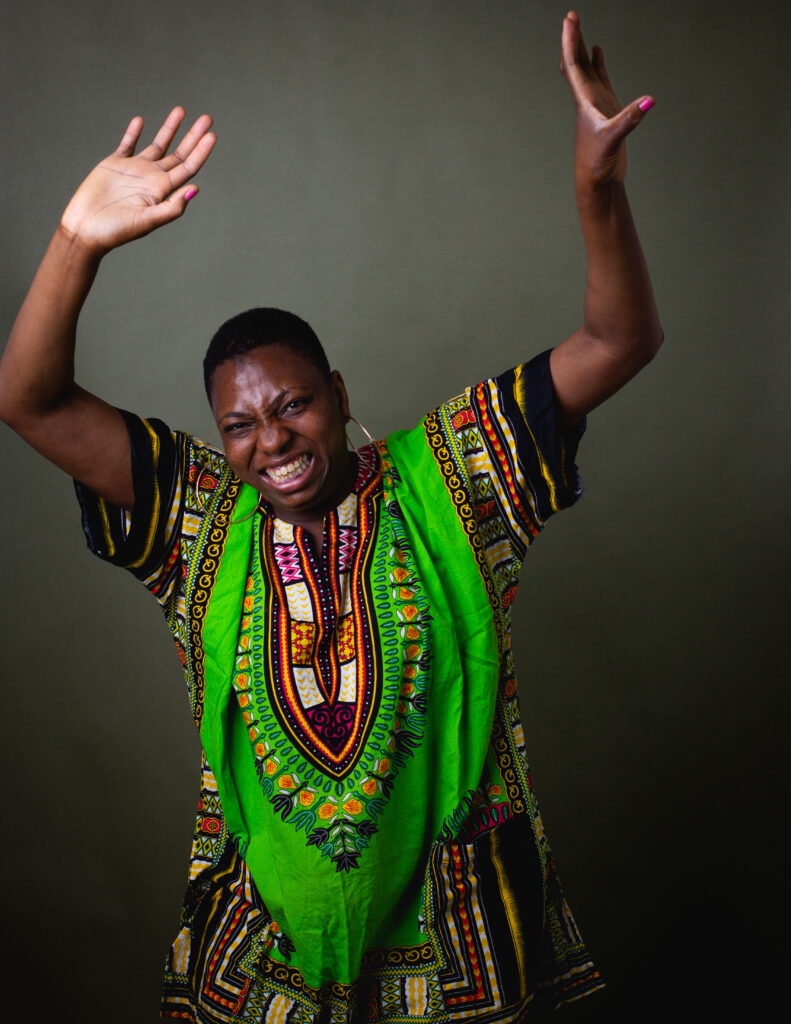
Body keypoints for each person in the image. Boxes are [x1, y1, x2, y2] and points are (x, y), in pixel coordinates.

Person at [0, 11, 661, 1022]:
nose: (271, 440)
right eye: (240, 424)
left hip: (451, 953)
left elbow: (617, 341)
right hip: (261, 960)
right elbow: (30, 402)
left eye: (293, 404)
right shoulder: (198, 520)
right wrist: (74, 242)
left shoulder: (455, 470)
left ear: (338, 390)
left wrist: (595, 184)